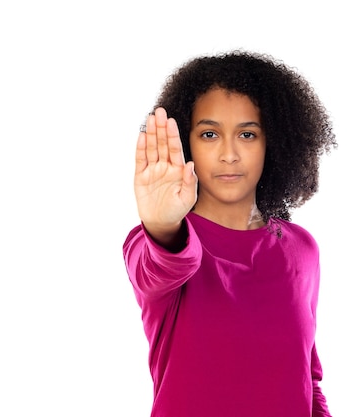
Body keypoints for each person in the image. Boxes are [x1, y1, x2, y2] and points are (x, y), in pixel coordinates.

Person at [122, 50, 337, 417]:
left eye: (248, 134)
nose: (229, 154)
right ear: (188, 143)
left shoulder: (302, 249)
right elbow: (160, 264)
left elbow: (307, 378)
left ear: (275, 142)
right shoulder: (162, 242)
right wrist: (160, 224)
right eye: (209, 134)